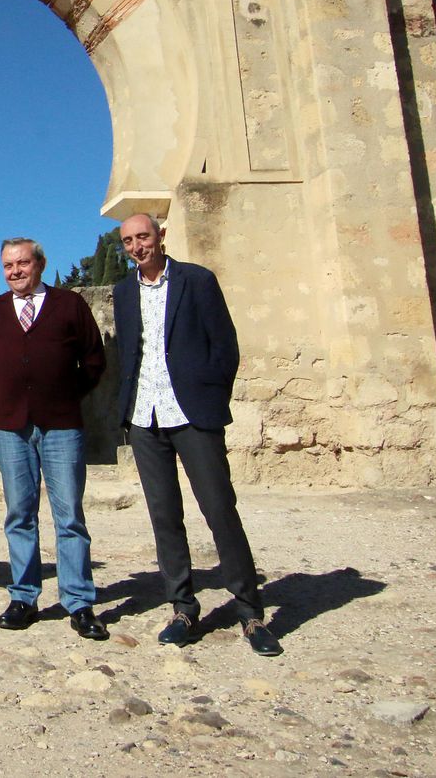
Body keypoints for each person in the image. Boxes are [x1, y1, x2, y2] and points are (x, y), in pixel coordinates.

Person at [113, 213, 282, 657]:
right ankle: (183, 608)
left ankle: (250, 611)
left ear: (160, 236)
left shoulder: (197, 280)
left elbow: (224, 346)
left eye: (143, 236)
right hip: (145, 417)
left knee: (219, 509)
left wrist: (207, 395)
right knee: (164, 515)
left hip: (191, 414)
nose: (137, 246)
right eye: (129, 240)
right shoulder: (123, 292)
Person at [0, 237, 109, 639]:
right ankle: (24, 596)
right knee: (19, 514)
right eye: (8, 265)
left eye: (23, 263)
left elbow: (94, 359)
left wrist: (67, 393)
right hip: (12, 426)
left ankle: (79, 602)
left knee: (69, 516)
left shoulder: (70, 305)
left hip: (63, 425)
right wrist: (9, 393)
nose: (15, 271)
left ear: (40, 264)